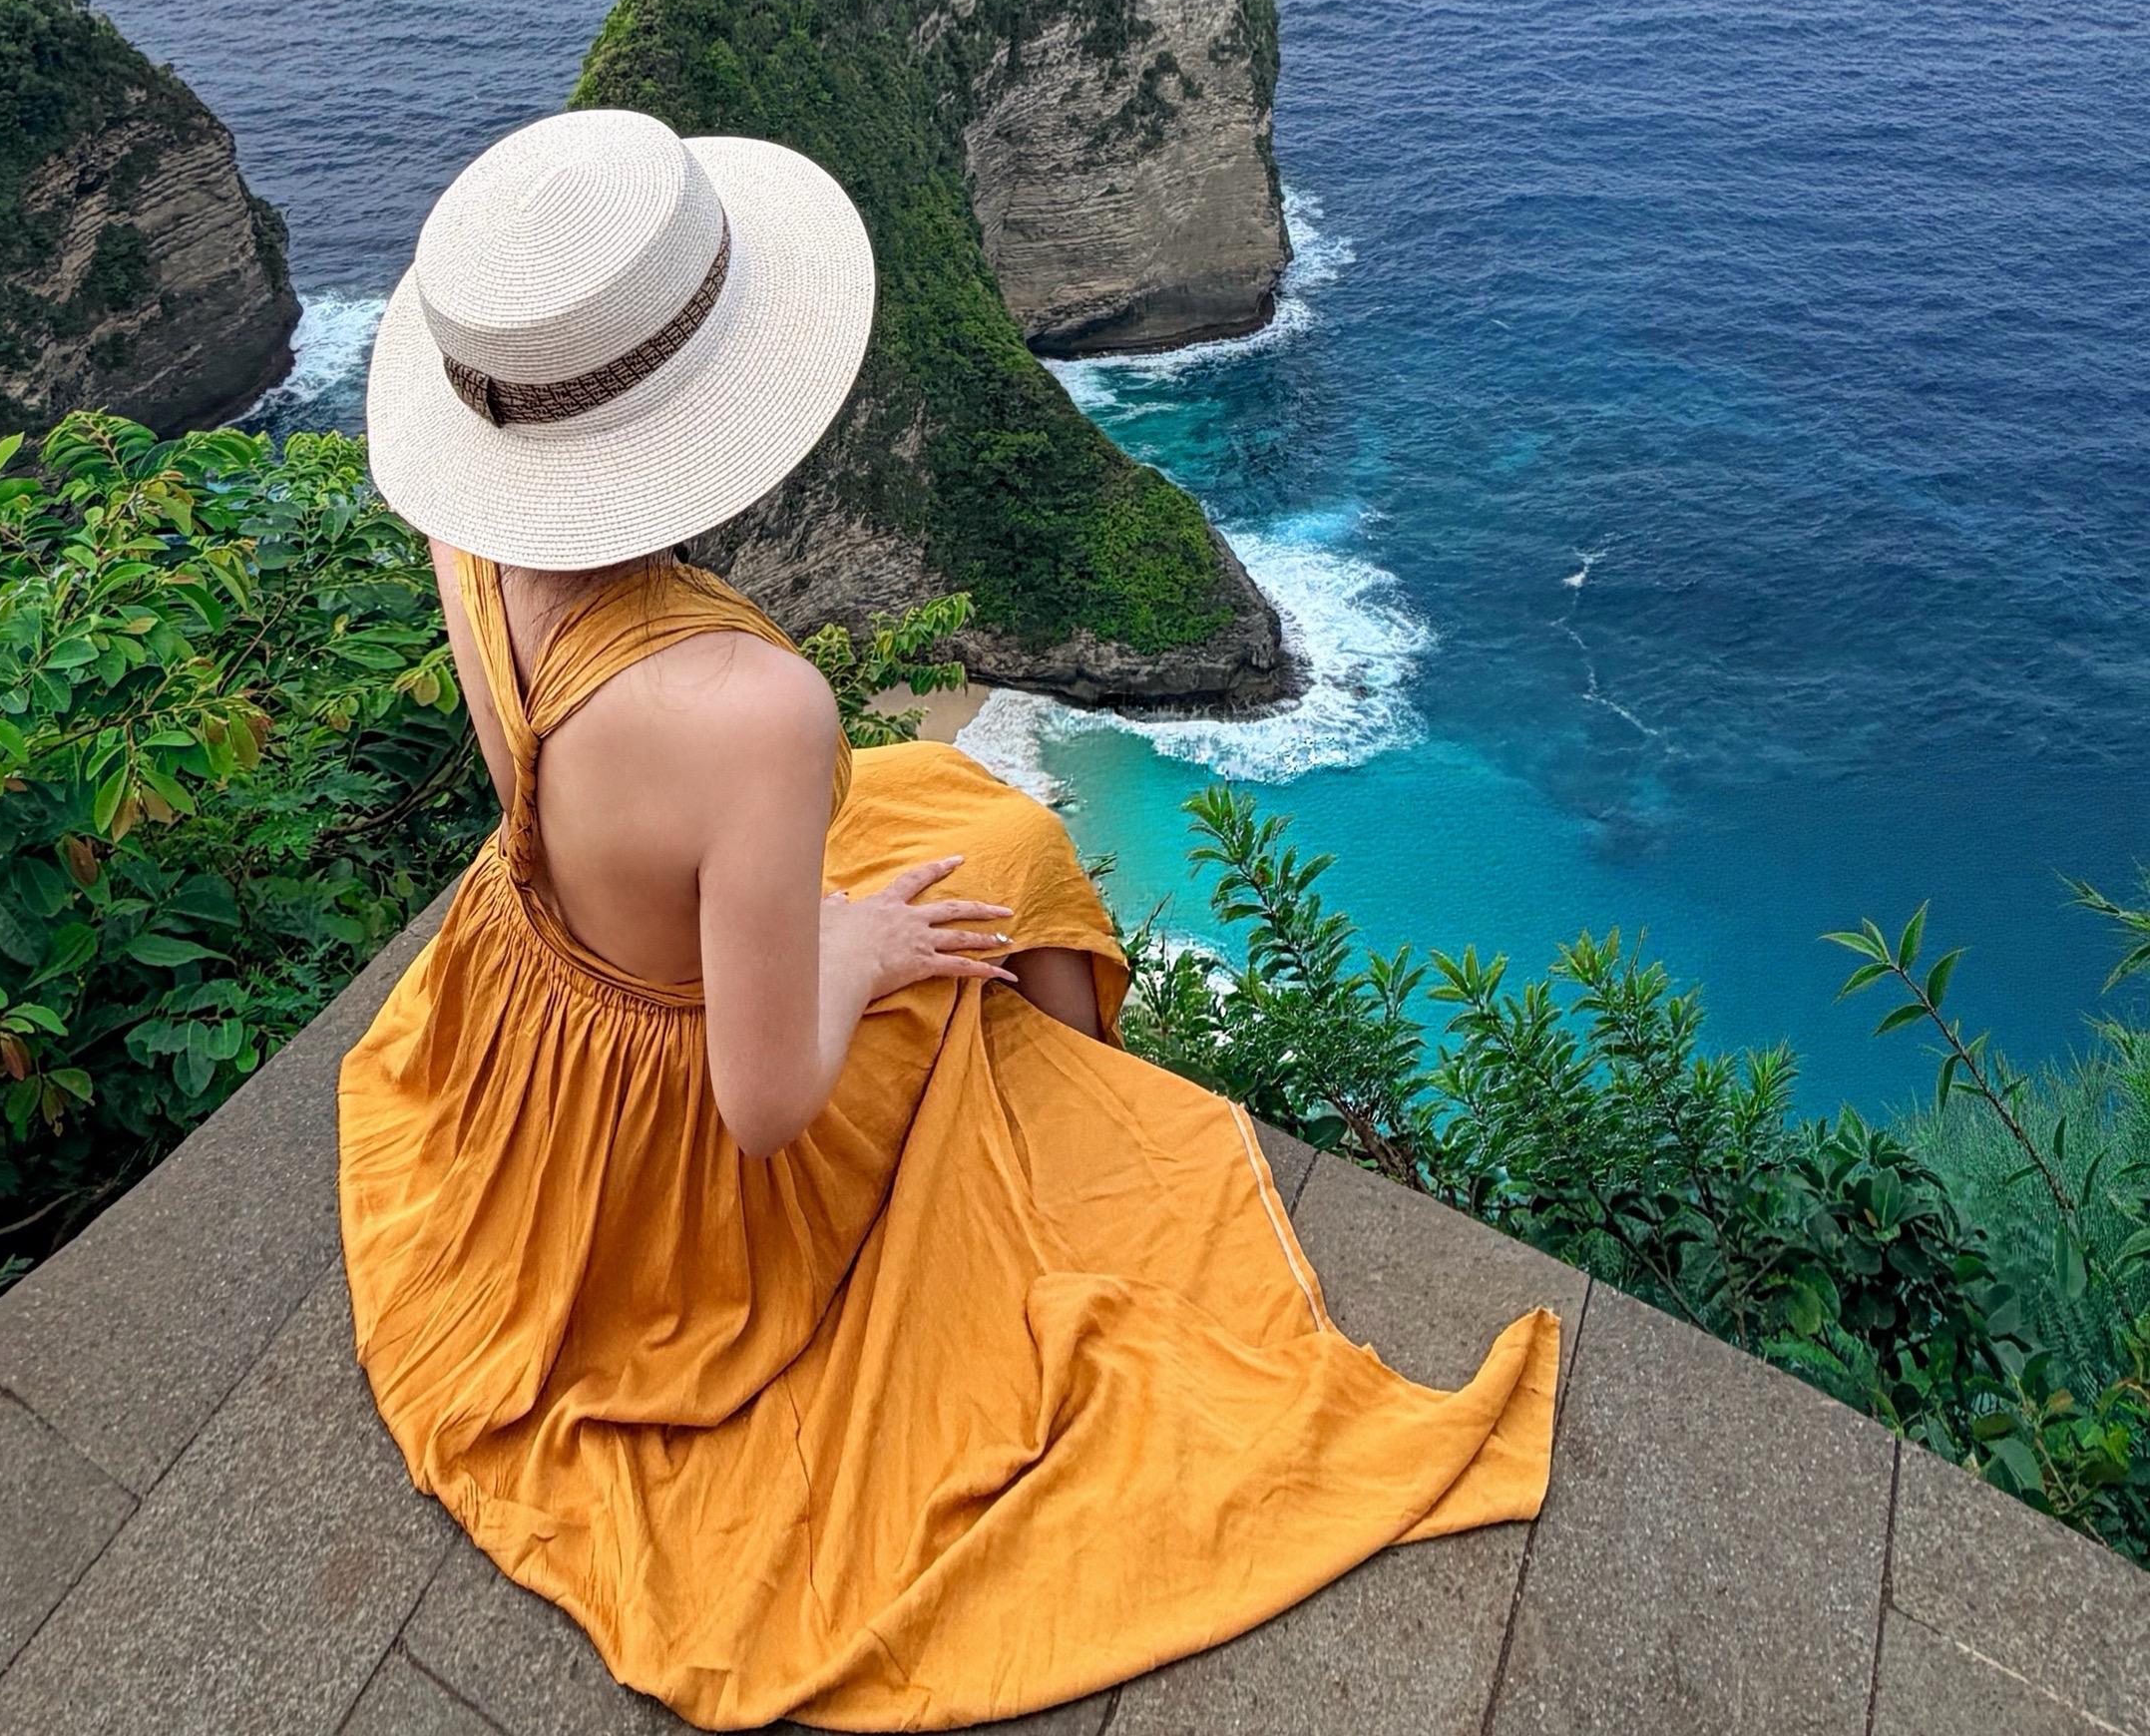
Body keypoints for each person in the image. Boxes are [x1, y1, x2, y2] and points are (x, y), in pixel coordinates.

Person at [341, 108, 1556, 1731]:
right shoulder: (751, 711)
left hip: (538, 993)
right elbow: (763, 1106)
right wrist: (849, 946)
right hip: (681, 1151)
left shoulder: (472, 523)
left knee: (973, 807)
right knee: (983, 873)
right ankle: (1049, 1110)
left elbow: (585, 796)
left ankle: (1032, 1083)